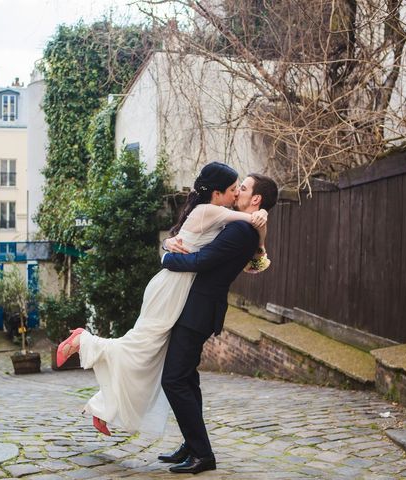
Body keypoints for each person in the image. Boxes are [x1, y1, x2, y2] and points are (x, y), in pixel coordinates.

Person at [56, 162, 270, 437]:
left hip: (176, 288)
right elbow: (245, 228)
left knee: (149, 352)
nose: (235, 193)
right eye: (232, 189)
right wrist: (261, 222)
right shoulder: (214, 212)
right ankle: (83, 341)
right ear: (216, 193)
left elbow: (253, 265)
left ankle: (104, 407)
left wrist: (169, 247)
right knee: (141, 346)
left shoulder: (217, 215)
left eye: (240, 188)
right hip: (172, 287)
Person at [159, 172, 278, 474]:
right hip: (197, 307)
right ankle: (192, 443)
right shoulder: (241, 225)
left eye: (244, 188)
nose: (237, 190)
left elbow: (202, 261)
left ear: (256, 198)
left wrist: (167, 259)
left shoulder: (242, 232)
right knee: (186, 378)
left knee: (173, 379)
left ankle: (202, 454)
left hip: (198, 310)